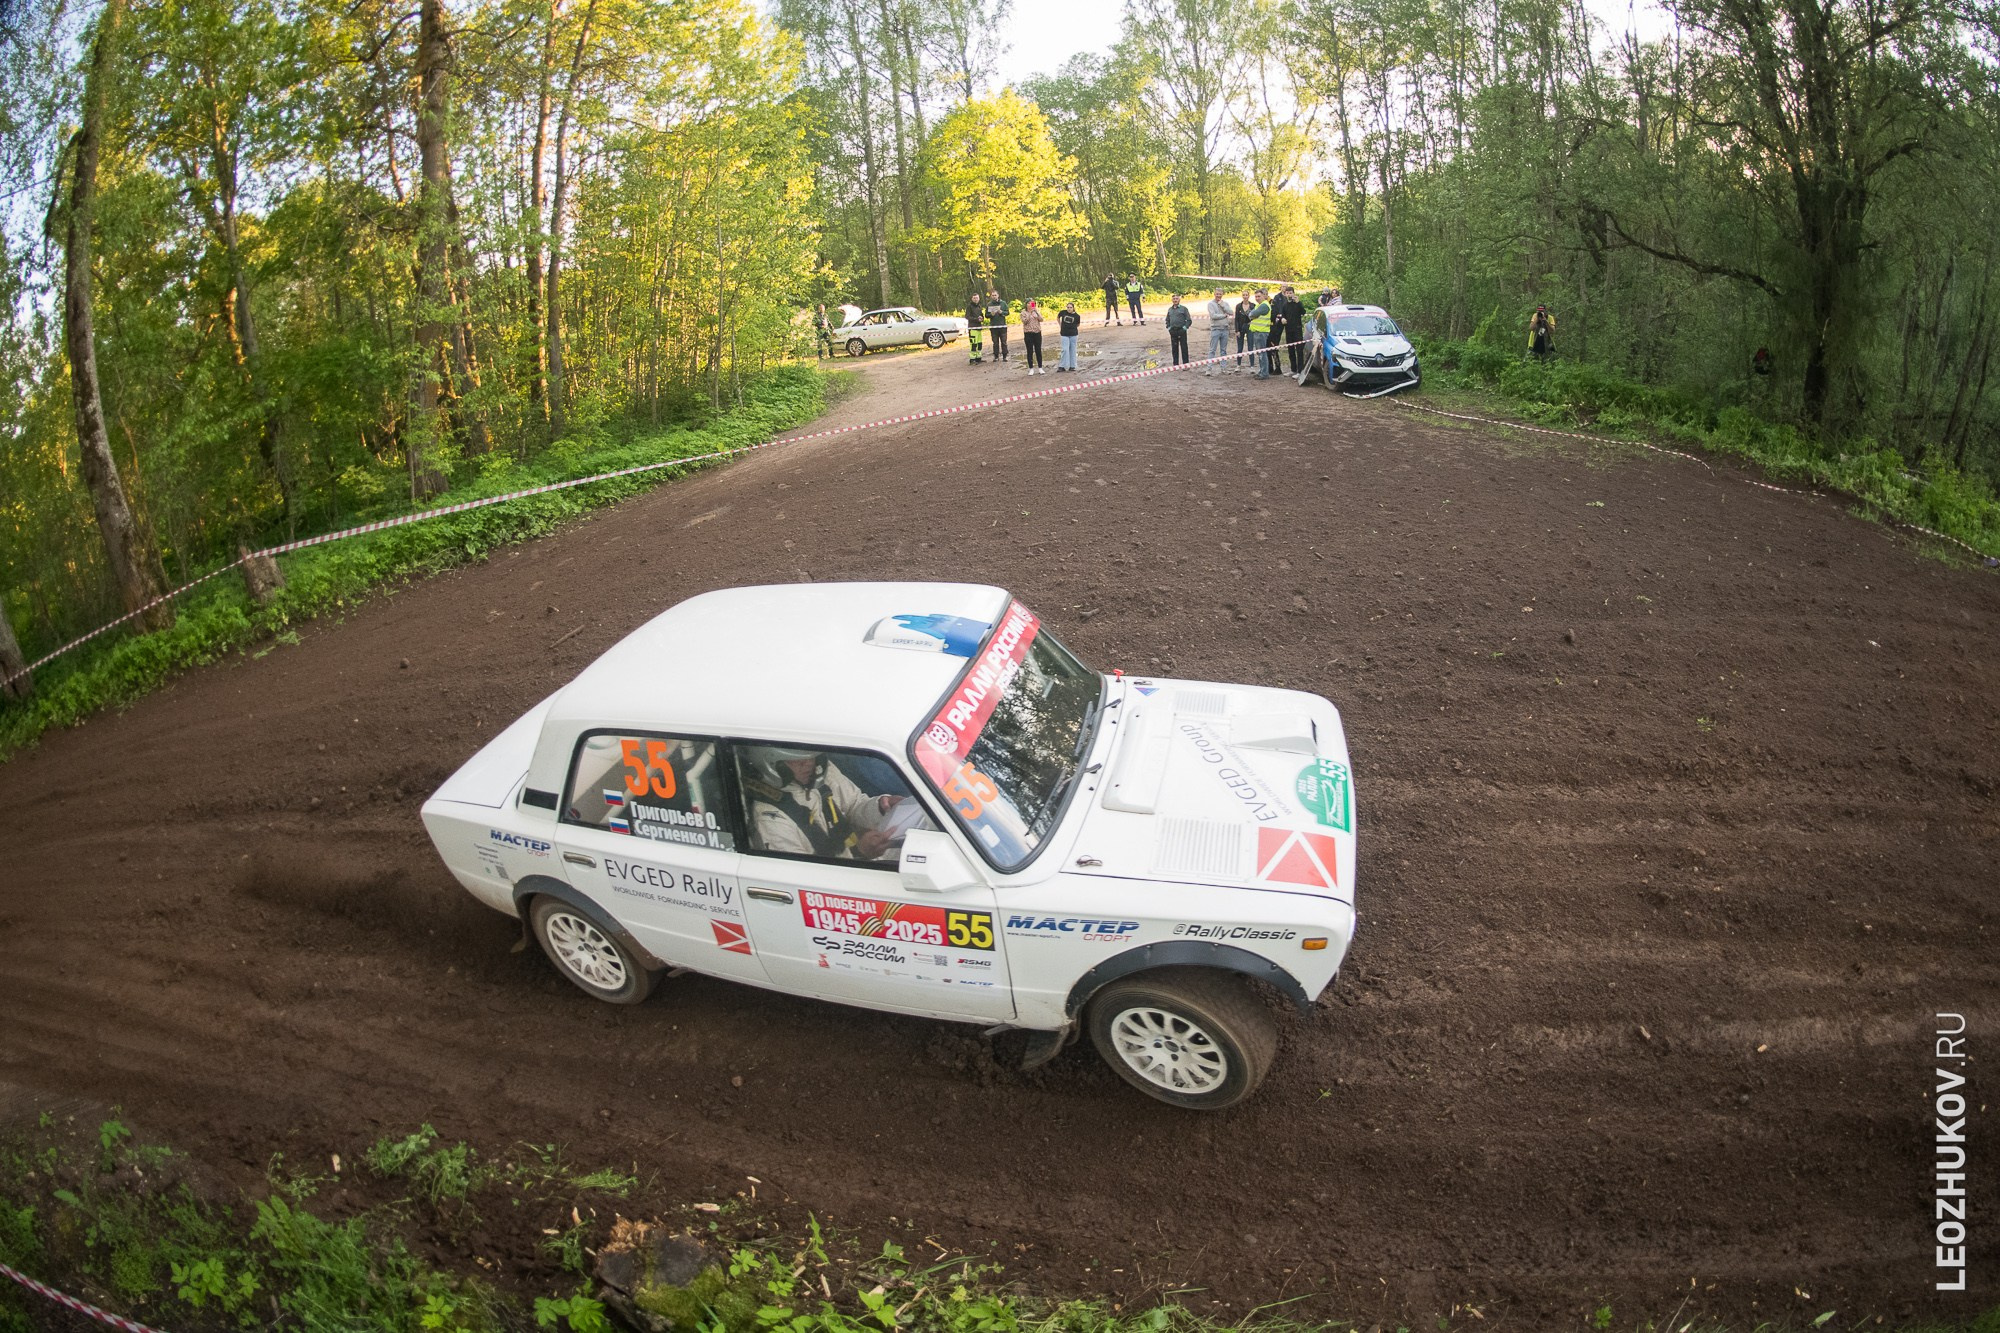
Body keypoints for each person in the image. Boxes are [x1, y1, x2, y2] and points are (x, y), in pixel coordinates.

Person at [744, 747, 915, 863]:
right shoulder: (770, 818)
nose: (809, 765)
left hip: (863, 858)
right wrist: (859, 853)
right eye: (798, 761)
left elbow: (855, 805)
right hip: (842, 882)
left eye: (812, 757)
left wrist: (881, 806)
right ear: (773, 763)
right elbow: (803, 879)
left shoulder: (821, 771)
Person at [1279, 285, 1307, 375]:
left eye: (1290, 293)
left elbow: (1303, 312)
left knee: (1299, 351)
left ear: (1293, 293)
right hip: (1288, 330)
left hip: (1297, 329)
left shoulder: (1298, 303)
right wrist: (1282, 319)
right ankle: (1293, 370)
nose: (1289, 295)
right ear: (1285, 294)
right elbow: (1282, 315)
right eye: (1287, 293)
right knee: (1290, 350)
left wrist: (1298, 303)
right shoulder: (1284, 305)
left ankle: (1300, 371)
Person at [1205, 289, 1232, 374]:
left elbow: (1231, 312)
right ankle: (1209, 369)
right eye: (1217, 294)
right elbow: (1213, 316)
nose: (1218, 296)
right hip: (1215, 329)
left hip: (1225, 329)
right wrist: (1224, 315)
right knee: (1212, 349)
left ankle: (1223, 368)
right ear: (1214, 294)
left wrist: (1223, 305)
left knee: (1223, 350)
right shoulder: (1210, 304)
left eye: (1220, 294)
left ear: (1222, 294)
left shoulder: (1225, 303)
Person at [1248, 290, 1273, 379]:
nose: (1257, 298)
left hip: (1261, 332)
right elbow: (1251, 314)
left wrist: (1251, 314)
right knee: (1260, 353)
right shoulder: (1259, 305)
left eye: (1259, 296)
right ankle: (1262, 371)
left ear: (1263, 296)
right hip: (1258, 331)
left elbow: (1252, 314)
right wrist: (1251, 314)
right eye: (1256, 296)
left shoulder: (1264, 306)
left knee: (1262, 353)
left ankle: (1264, 373)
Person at [1165, 294, 1192, 366]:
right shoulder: (1170, 309)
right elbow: (1167, 320)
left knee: (1184, 348)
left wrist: (1184, 328)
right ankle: (1175, 365)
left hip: (1181, 331)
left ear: (1179, 300)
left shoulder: (1184, 309)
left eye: (1176, 299)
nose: (1175, 300)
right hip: (1173, 331)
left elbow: (1189, 320)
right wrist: (1169, 328)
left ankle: (1186, 364)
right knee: (1174, 348)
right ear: (1172, 300)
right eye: (1174, 299)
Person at [984, 289, 1010, 362]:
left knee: (1004, 342)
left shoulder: (1003, 303)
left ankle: (1005, 356)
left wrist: (1002, 312)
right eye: (993, 295)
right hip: (993, 327)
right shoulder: (989, 304)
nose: (994, 296)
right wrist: (990, 315)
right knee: (995, 342)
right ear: (991, 296)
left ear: (998, 295)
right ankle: (996, 356)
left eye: (995, 295)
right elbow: (986, 315)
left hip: (1002, 326)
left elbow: (1007, 313)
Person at [1021, 299, 1045, 374]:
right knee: (1030, 351)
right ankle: (1031, 368)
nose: (1030, 304)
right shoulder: (1023, 312)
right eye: (1029, 303)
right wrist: (1030, 314)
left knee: (1038, 350)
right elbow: (1024, 321)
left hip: (1037, 332)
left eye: (1032, 303)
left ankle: (1040, 367)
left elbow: (1041, 320)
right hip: (1028, 333)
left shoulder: (1037, 311)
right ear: (1026, 304)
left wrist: (1036, 312)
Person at [1056, 301, 1082, 371]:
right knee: (1065, 350)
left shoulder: (1077, 316)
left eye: (1070, 307)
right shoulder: (1063, 312)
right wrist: (1060, 325)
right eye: (1068, 307)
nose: (1069, 309)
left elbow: (1078, 324)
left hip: (1073, 335)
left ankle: (1072, 365)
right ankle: (1062, 366)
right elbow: (1058, 317)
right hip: (1064, 334)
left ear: (1073, 308)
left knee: (1072, 350)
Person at [1234, 293, 1252, 369]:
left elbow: (1255, 317)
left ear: (1249, 296)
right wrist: (1237, 330)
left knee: (1250, 347)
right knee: (1240, 348)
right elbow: (1236, 319)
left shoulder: (1253, 306)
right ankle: (1238, 365)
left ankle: (1252, 365)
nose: (1245, 297)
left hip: (1250, 328)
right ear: (1242, 296)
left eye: (1246, 295)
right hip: (1240, 328)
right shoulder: (1238, 306)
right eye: (1244, 295)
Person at [965, 292, 984, 363]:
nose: (976, 299)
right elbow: (967, 316)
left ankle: (978, 358)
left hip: (979, 328)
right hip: (972, 328)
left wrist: (982, 318)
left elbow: (981, 315)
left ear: (979, 298)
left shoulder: (979, 306)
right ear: (972, 298)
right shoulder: (969, 306)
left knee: (979, 344)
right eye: (974, 298)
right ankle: (972, 359)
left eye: (977, 298)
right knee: (973, 344)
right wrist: (976, 319)